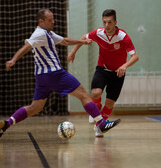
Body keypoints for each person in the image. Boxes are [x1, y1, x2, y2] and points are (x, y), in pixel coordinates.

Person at [0, 8, 120, 138]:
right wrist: (13, 60)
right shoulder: (39, 34)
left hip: (42, 77)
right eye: (50, 20)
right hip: (55, 73)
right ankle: (101, 123)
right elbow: (27, 46)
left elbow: (65, 41)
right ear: (41, 21)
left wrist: (83, 42)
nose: (53, 22)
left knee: (35, 107)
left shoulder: (48, 34)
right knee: (84, 95)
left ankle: (7, 124)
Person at [68, 9, 139, 137]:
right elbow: (84, 37)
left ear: (115, 22)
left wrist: (125, 65)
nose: (107, 25)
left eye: (110, 22)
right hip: (102, 69)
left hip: (118, 73)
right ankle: (95, 111)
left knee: (110, 103)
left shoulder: (123, 36)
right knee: (96, 93)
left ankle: (99, 126)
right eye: (104, 22)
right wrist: (73, 52)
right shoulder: (99, 33)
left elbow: (135, 56)